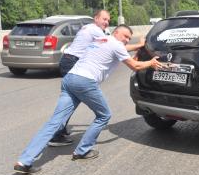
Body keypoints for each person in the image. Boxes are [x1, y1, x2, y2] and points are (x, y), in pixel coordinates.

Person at [14, 25, 162, 174]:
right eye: (125, 36)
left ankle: (24, 161)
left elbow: (127, 57)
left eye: (129, 38)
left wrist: (137, 50)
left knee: (54, 122)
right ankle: (82, 151)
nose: (127, 40)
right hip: (85, 81)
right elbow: (135, 66)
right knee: (104, 115)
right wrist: (151, 62)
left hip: (69, 79)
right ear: (116, 32)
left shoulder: (100, 40)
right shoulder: (116, 45)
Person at [50, 10, 143, 146]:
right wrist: (140, 45)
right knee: (71, 100)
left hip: (69, 60)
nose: (106, 22)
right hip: (73, 61)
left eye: (108, 20)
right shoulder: (97, 32)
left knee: (71, 98)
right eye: (104, 19)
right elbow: (118, 47)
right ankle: (56, 134)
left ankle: (59, 130)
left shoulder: (89, 27)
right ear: (96, 19)